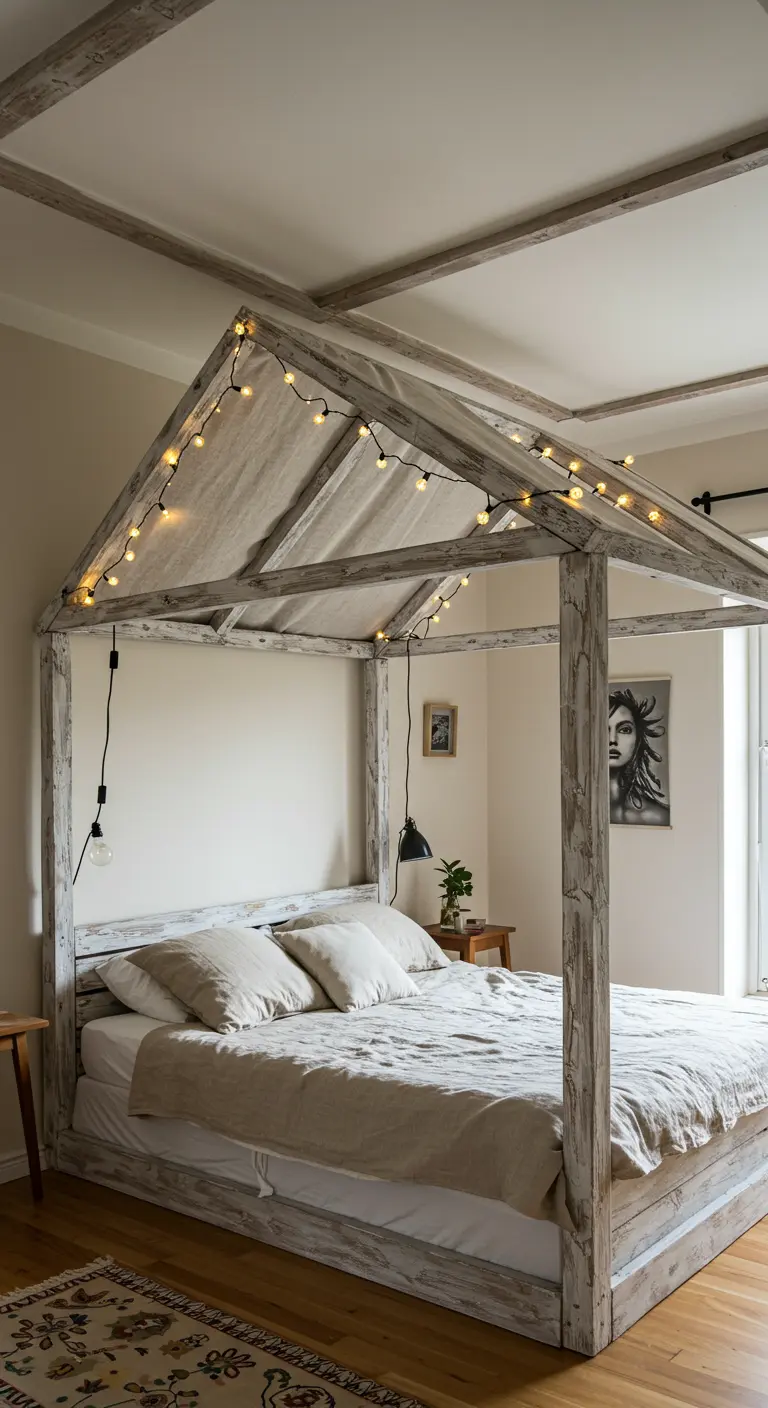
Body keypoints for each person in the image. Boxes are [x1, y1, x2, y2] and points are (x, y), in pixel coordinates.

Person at [608, 687, 670, 826]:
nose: (612, 739)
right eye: (603, 730)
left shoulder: (659, 817)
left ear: (637, 740)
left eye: (624, 729)